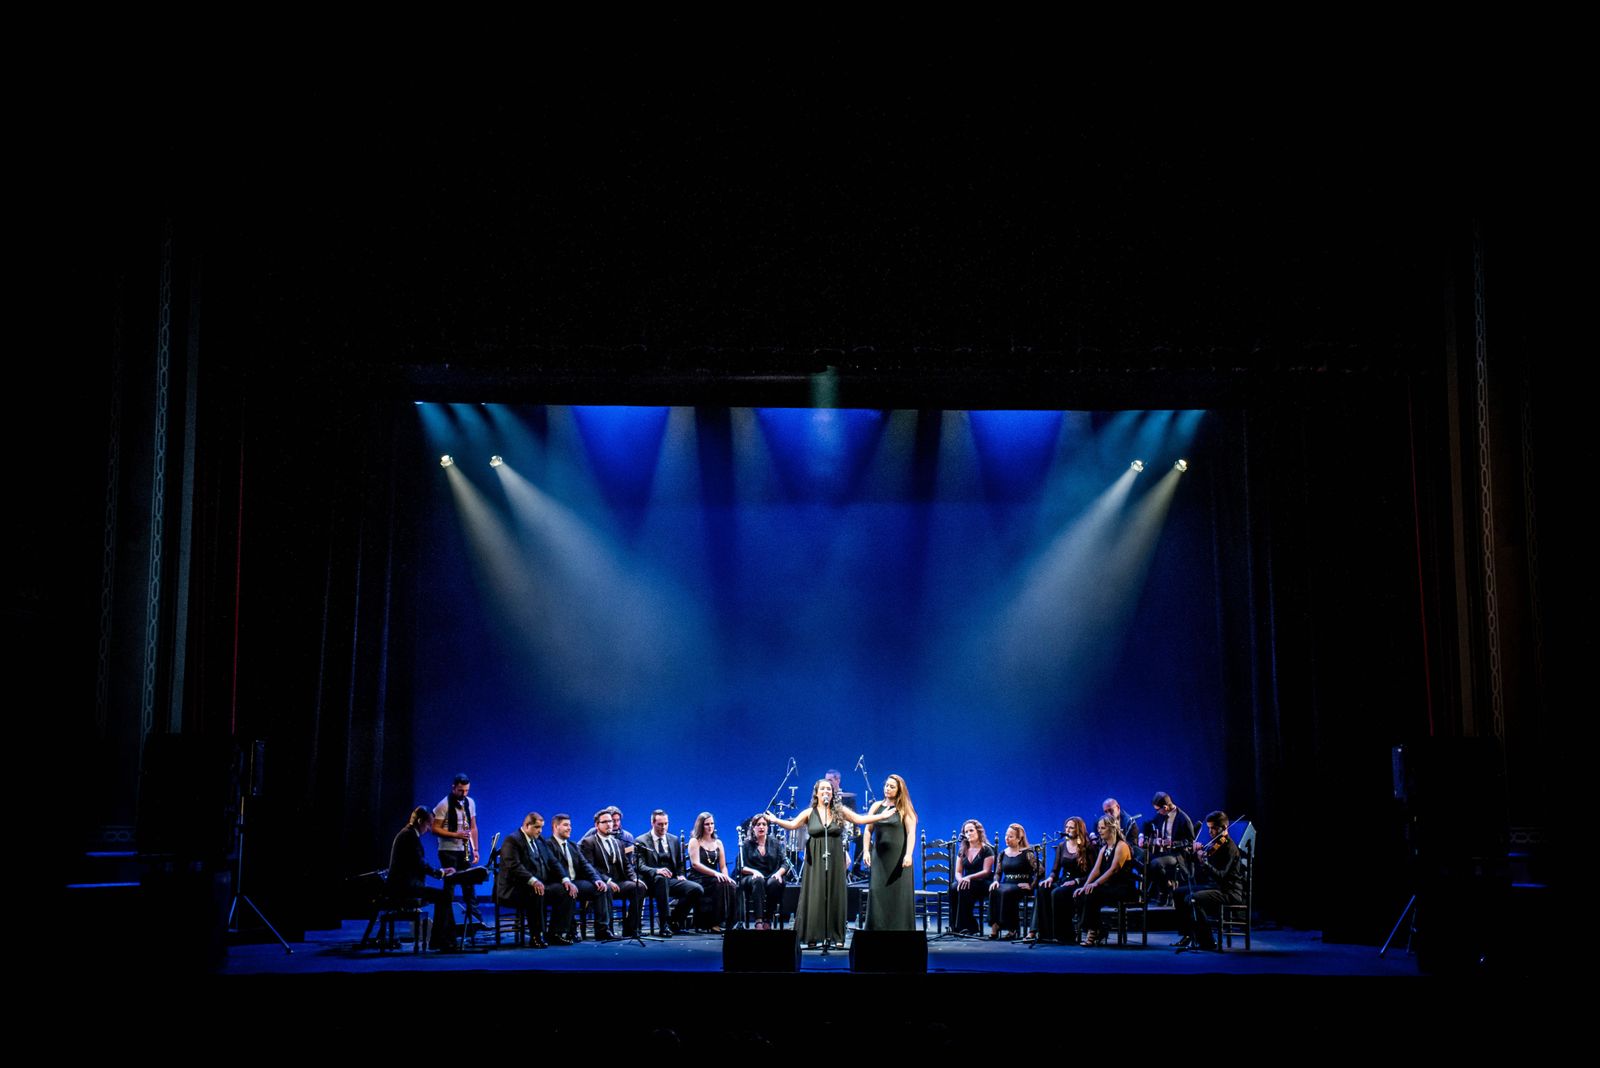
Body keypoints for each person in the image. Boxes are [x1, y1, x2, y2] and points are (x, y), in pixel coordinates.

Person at [766, 779, 891, 947]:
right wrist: (776, 820)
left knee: (835, 893)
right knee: (815, 893)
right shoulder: (809, 812)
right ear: (816, 793)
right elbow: (793, 825)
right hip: (815, 858)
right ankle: (813, 935)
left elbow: (860, 820)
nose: (826, 792)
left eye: (829, 789)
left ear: (833, 793)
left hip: (835, 856)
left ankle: (836, 936)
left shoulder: (840, 811)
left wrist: (881, 816)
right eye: (823, 789)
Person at [387, 806, 460, 950]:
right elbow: (419, 863)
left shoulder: (408, 834)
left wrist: (440, 872)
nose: (429, 829)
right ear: (420, 821)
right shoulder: (409, 836)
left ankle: (444, 938)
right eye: (428, 824)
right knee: (444, 896)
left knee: (443, 896)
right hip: (405, 888)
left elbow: (418, 863)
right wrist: (440, 873)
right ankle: (441, 940)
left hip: (405, 885)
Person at [1173, 810, 1245, 952]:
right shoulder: (1216, 845)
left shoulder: (1230, 848)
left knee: (1193, 899)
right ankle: (1188, 935)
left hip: (1229, 891)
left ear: (1224, 828)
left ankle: (1207, 941)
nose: (1210, 832)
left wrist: (1204, 863)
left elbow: (1221, 876)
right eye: (1209, 828)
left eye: (1213, 828)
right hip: (1215, 887)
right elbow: (1199, 864)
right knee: (1178, 893)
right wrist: (1193, 852)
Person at [863, 773, 918, 931]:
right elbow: (868, 830)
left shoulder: (904, 809)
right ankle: (877, 929)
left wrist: (908, 854)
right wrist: (866, 851)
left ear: (899, 790)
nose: (887, 788)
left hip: (898, 858)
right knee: (878, 893)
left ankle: (900, 930)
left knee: (898, 895)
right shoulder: (876, 806)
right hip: (879, 859)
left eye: (892, 787)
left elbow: (911, 833)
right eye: (886, 785)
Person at [634, 809, 702, 936]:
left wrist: (681, 874)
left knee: (696, 889)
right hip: (652, 882)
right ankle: (664, 924)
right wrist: (656, 871)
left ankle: (674, 920)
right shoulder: (641, 841)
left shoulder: (673, 839)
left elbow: (680, 863)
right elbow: (639, 866)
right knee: (661, 879)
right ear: (652, 823)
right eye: (660, 824)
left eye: (666, 823)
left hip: (671, 880)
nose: (663, 827)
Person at [1073, 814, 1137, 946]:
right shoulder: (1104, 849)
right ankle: (1098, 928)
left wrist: (1095, 884)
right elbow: (1096, 870)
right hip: (1109, 887)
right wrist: (1085, 885)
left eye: (1102, 828)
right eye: (1099, 828)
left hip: (1123, 887)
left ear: (1112, 828)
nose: (1099, 831)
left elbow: (1113, 870)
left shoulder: (1122, 846)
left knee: (1093, 893)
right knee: (1082, 893)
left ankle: (1093, 931)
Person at [495, 811, 557, 948]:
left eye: (541, 827)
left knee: (563, 891)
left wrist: (565, 879)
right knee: (536, 892)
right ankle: (536, 936)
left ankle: (556, 933)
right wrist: (533, 881)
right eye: (537, 827)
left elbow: (553, 861)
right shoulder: (512, 840)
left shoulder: (539, 840)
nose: (540, 831)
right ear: (527, 825)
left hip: (536, 885)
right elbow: (514, 865)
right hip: (513, 888)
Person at [579, 809, 643, 939]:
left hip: (619, 881)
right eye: (605, 822)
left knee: (639, 887)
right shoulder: (589, 842)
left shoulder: (618, 842)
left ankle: (631, 928)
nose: (609, 824)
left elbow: (626, 864)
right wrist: (607, 880)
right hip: (602, 881)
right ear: (597, 825)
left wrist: (634, 878)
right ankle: (603, 930)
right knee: (606, 888)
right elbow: (590, 867)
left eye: (610, 821)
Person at [544, 813, 605, 944]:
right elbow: (553, 866)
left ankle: (602, 930)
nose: (569, 828)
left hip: (575, 882)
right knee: (568, 891)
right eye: (565, 825)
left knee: (600, 888)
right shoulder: (548, 845)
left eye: (570, 825)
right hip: (557, 882)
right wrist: (565, 880)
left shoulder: (572, 845)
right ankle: (562, 932)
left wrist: (597, 879)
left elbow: (585, 864)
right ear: (555, 827)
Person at [1029, 816, 1091, 944]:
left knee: (1057, 893)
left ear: (1079, 829)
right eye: (1066, 827)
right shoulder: (1062, 846)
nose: (1067, 830)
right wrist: (1050, 878)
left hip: (1079, 882)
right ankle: (1046, 934)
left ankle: (1065, 935)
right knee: (1043, 888)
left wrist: (1076, 881)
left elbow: (1092, 873)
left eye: (1071, 828)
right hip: (1064, 881)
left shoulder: (1088, 847)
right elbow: (1055, 870)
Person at [433, 774, 482, 929]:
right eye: (461, 790)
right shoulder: (443, 805)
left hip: (463, 850)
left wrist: (475, 849)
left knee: (469, 886)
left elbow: (473, 827)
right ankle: (448, 926)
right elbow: (435, 828)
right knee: (450, 888)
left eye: (466, 790)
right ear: (453, 788)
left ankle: (475, 923)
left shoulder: (470, 802)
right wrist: (456, 835)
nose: (464, 794)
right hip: (448, 851)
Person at [989, 823, 1041, 940]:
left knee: (1007, 892)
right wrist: (995, 881)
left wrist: (1031, 885)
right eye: (1006, 835)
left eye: (1010, 836)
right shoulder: (1003, 854)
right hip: (1007, 883)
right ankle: (995, 926)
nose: (1006, 838)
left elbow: (1040, 870)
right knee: (994, 890)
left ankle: (1012, 929)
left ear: (1019, 838)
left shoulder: (1027, 853)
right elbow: (998, 872)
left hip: (1021, 885)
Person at [737, 813, 791, 929]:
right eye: (758, 824)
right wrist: (754, 872)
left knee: (774, 882)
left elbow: (785, 863)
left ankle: (768, 919)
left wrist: (778, 873)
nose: (761, 827)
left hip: (771, 875)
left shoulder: (775, 842)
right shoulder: (746, 844)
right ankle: (759, 920)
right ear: (753, 827)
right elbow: (741, 867)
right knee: (758, 880)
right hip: (751, 877)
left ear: (767, 827)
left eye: (764, 824)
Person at [688, 812, 739, 933]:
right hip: (698, 877)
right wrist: (716, 874)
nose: (710, 826)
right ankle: (714, 923)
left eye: (712, 823)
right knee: (718, 884)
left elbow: (723, 866)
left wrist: (726, 877)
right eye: (707, 824)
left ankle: (731, 922)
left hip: (714, 877)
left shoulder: (718, 843)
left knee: (732, 886)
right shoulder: (695, 841)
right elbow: (695, 864)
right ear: (701, 825)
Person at [1141, 791, 1196, 904]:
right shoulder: (1161, 815)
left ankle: (1164, 891)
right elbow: (1147, 823)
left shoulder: (1183, 818)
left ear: (1165, 807)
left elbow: (1190, 842)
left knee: (1155, 863)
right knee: (1142, 859)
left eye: (1158, 809)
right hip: (1163, 852)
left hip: (1177, 854)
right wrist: (1142, 836)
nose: (1157, 812)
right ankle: (1166, 886)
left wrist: (1173, 843)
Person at [951, 819, 996, 935]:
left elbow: (986, 871)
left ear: (978, 831)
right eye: (966, 832)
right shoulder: (962, 850)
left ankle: (967, 927)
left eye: (971, 830)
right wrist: (960, 880)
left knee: (965, 888)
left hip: (983, 882)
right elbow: (958, 871)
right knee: (953, 888)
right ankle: (956, 926)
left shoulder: (987, 849)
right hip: (967, 881)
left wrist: (969, 878)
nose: (968, 834)